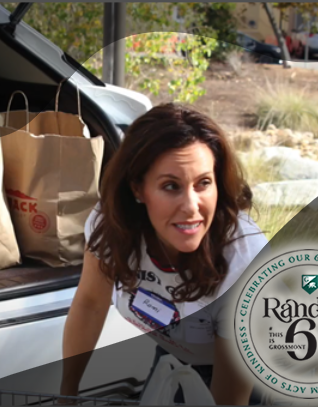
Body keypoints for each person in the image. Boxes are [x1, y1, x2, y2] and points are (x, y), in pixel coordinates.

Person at [60, 103, 268, 405]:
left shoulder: (245, 263)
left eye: (203, 183)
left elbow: (230, 399)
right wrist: (66, 395)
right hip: (178, 355)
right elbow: (91, 303)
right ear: (137, 189)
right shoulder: (112, 225)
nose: (191, 207)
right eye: (171, 186)